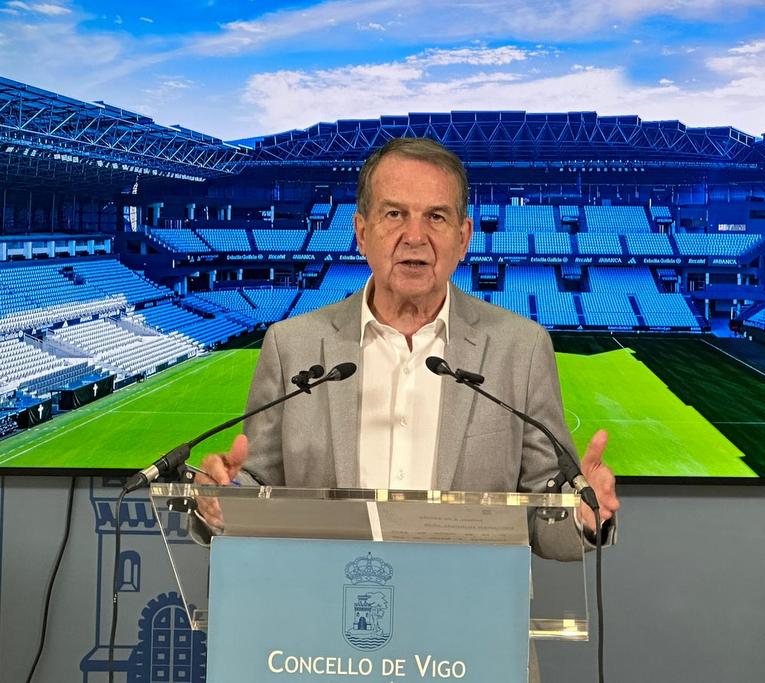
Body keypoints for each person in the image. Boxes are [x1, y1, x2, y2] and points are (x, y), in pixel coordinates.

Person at [199, 137, 619, 547]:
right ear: (362, 232)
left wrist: (582, 513)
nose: (414, 236)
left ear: (463, 237)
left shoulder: (521, 348)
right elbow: (255, 488)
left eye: (436, 216)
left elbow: (546, 511)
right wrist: (221, 496)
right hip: (328, 590)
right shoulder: (291, 346)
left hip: (464, 592)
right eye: (394, 214)